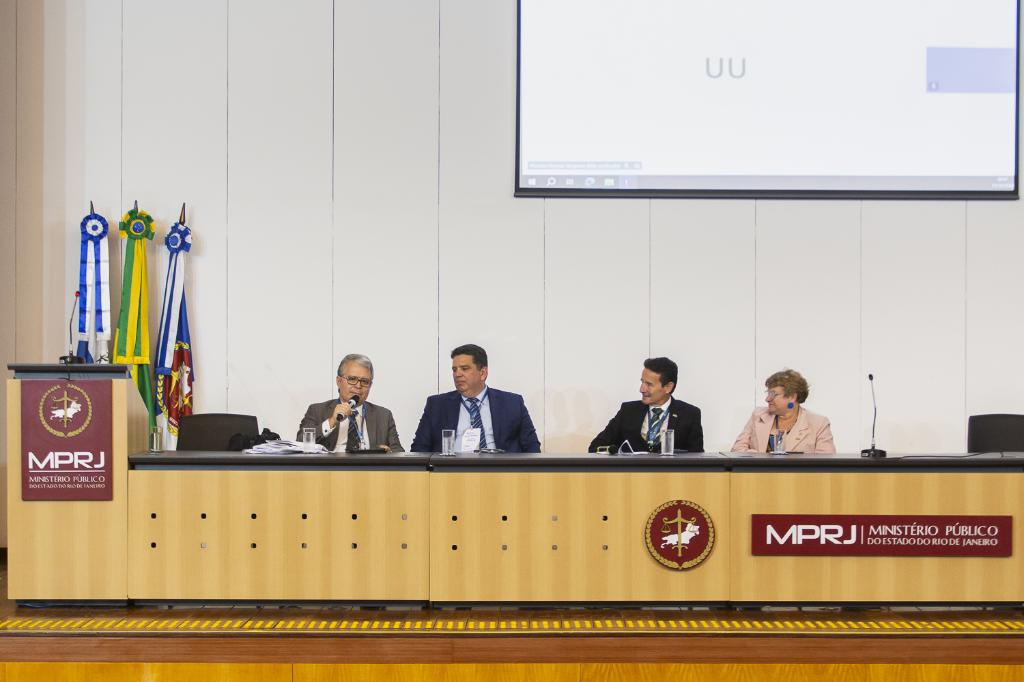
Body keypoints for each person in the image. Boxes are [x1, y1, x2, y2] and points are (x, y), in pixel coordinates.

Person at [410, 344, 541, 453]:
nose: (457, 374)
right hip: (452, 471)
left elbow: (532, 448)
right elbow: (419, 449)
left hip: (500, 471)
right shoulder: (437, 405)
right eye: (454, 370)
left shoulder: (512, 403)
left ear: (483, 373)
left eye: (464, 369)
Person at [588, 357, 703, 453]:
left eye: (649, 384)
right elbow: (595, 447)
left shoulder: (689, 414)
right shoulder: (628, 411)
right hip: (632, 473)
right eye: (642, 382)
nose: (642, 389)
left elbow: (697, 458)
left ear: (668, 387)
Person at [297, 354, 404, 452]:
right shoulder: (317, 411)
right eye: (352, 379)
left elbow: (399, 452)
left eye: (364, 381)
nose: (358, 386)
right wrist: (332, 421)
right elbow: (300, 444)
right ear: (339, 381)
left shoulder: (384, 416)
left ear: (370, 385)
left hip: (368, 466)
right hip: (331, 466)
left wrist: (389, 453)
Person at [731, 368, 835, 454]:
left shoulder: (819, 423)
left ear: (792, 397)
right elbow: (737, 450)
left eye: (773, 394)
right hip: (759, 473)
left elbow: (826, 462)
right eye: (768, 393)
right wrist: (761, 459)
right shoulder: (758, 415)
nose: (767, 399)